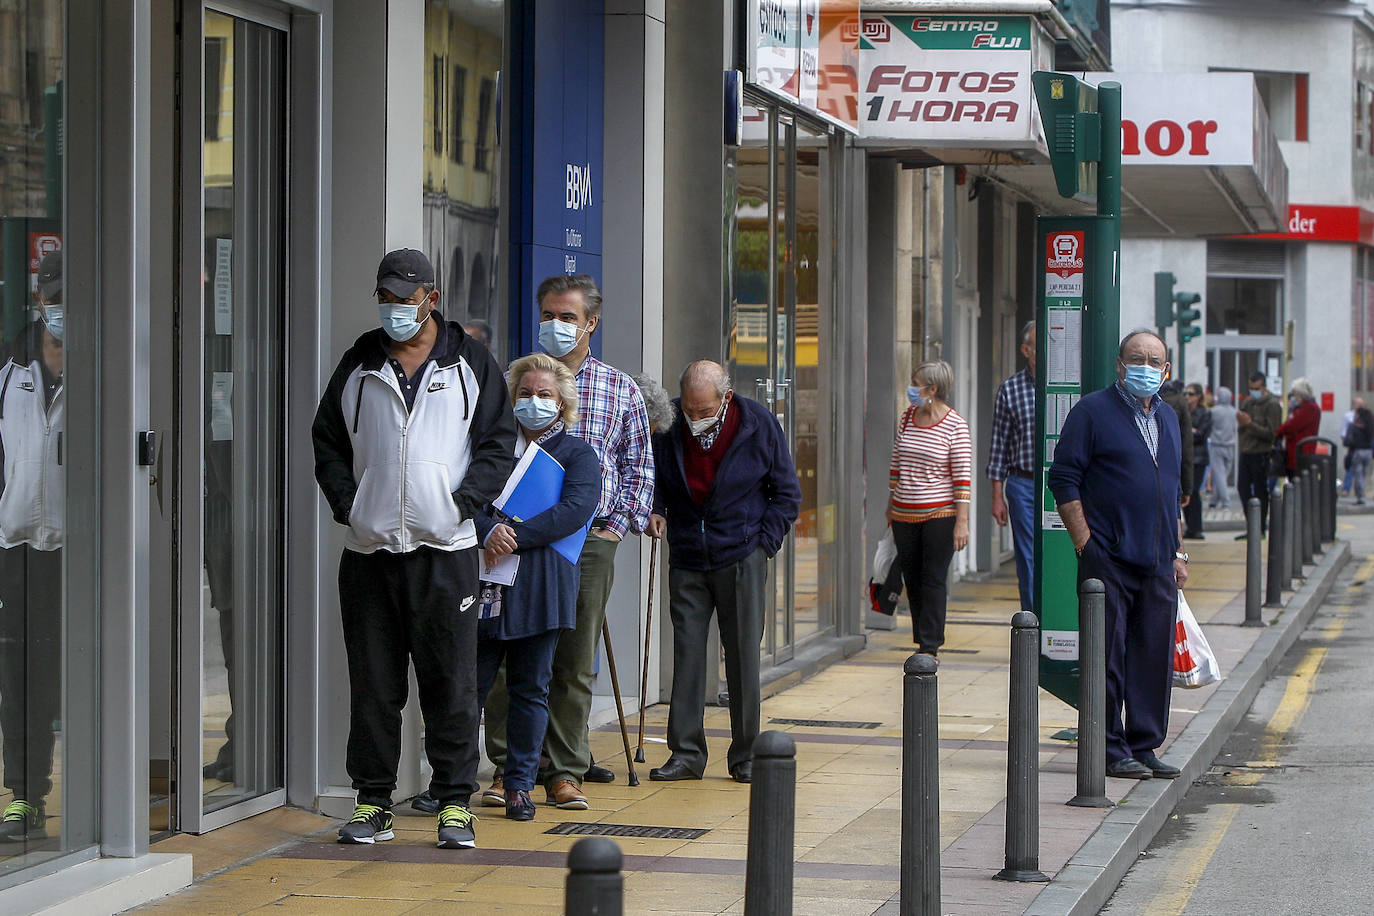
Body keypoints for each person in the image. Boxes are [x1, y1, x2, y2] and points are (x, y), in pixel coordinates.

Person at [312, 248, 516, 848]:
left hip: (445, 550)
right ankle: (373, 800)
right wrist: (350, 506)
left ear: (431, 297)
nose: (394, 309)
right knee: (374, 685)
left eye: (405, 298)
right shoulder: (359, 361)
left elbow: (497, 444)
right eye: (385, 298)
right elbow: (326, 439)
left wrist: (460, 505)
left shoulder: (470, 362)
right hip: (370, 553)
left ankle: (455, 802)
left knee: (450, 683)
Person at [481, 274, 654, 810]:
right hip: (504, 545)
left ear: (590, 323)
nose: (557, 325)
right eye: (549, 315)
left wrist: (616, 523)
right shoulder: (520, 382)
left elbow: (639, 467)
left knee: (573, 658)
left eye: (568, 317)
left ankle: (565, 769)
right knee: (509, 656)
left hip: (584, 542)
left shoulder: (619, 388)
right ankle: (509, 768)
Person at [645, 360, 800, 784]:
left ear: (725, 398)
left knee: (743, 656)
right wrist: (657, 511)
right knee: (689, 655)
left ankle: (746, 755)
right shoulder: (671, 422)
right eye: (689, 410)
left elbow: (786, 493)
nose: (694, 418)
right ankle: (687, 753)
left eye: (703, 410)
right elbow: (654, 478)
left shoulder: (758, 423)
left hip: (741, 555)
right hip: (689, 557)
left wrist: (763, 545)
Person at [1048, 330, 1189, 781]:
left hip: (1159, 562)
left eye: (1155, 360)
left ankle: (1144, 745)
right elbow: (1064, 479)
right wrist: (1085, 544)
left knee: (1152, 656)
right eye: (1136, 358)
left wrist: (1178, 553)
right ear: (1119, 364)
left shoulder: (1168, 417)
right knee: (1106, 657)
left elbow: (1172, 492)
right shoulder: (1092, 411)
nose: (1145, 367)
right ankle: (1109, 748)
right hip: (1107, 557)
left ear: (1166, 371)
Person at [473, 354, 599, 821]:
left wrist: (514, 537)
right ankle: (451, 784)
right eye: (525, 393)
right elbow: (465, 496)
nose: (534, 401)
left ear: (562, 402)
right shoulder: (489, 448)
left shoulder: (576, 454)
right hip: (485, 583)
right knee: (469, 689)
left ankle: (521, 786)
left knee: (531, 690)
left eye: (545, 394)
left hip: (542, 586)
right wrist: (487, 530)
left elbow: (577, 508)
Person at [0, 250, 66, 842]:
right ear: (39, 300)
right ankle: (25, 796)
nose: (61, 308)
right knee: (22, 674)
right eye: (54, 296)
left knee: (82, 669)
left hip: (85, 553)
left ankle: (105, 794)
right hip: (19, 545)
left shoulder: (104, 369)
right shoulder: (10, 369)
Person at [889, 360, 971, 659]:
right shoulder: (908, 417)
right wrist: (890, 506)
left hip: (940, 514)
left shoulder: (955, 424)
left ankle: (930, 644)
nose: (911, 389)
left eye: (916, 383)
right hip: (903, 513)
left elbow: (962, 476)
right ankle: (921, 635)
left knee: (933, 577)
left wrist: (962, 522)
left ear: (932, 389)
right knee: (911, 576)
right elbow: (896, 463)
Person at [987, 321, 1036, 611]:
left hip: (1063, 484)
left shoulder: (1070, 384)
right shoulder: (1010, 389)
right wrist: (997, 495)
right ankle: (1032, 621)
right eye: (1037, 347)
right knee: (1027, 556)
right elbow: (999, 445)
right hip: (1023, 484)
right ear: (1025, 350)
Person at [1236, 371, 1282, 536]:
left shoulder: (1272, 405)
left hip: (1261, 453)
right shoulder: (1248, 403)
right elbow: (1242, 426)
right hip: (1246, 451)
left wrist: (1249, 424)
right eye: (1250, 388)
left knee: (1261, 491)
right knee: (1242, 488)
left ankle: (1260, 528)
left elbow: (1272, 433)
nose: (1252, 391)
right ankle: (1252, 526)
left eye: (1255, 388)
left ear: (1263, 387)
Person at [1275, 378, 1321, 477]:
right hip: (1297, 453)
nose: (1294, 397)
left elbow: (1291, 425)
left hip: (1300, 454)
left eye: (1295, 394)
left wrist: (1279, 431)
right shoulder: (1302, 408)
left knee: (1297, 483)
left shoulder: (1309, 408)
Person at [1183, 383, 1211, 539]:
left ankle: (1197, 527)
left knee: (1194, 491)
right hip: (1187, 456)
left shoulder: (1204, 413)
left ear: (1199, 396)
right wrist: (1190, 431)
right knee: (1186, 490)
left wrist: (1190, 432)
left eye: (1191, 393)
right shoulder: (1185, 411)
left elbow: (1201, 434)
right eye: (1186, 393)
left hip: (1199, 457)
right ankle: (1190, 527)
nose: (1188, 396)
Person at [1207, 386, 1237, 509]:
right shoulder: (1234, 412)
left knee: (1219, 475)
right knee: (1224, 474)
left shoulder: (1214, 411)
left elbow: (1209, 425)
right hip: (1231, 446)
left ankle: (1225, 501)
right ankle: (1215, 499)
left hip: (1217, 445)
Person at [1347, 400, 1374, 505]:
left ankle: (1360, 496)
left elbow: (1348, 441)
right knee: (1363, 474)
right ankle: (1361, 494)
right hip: (1368, 452)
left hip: (1358, 451)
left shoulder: (1355, 425)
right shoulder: (1369, 426)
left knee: (1358, 474)